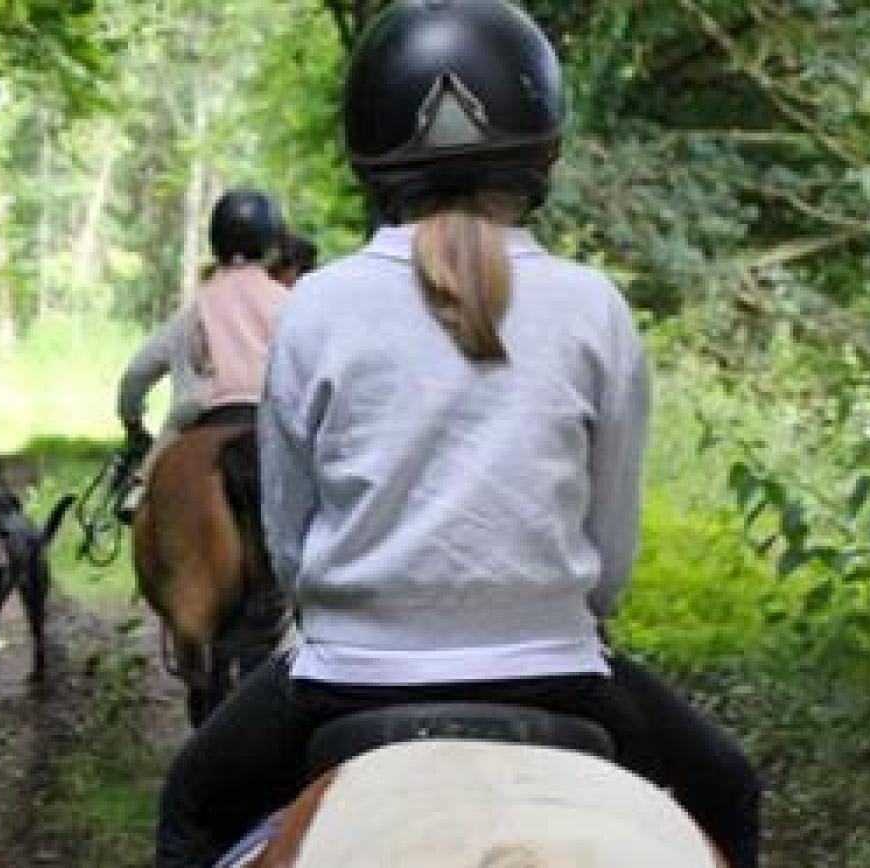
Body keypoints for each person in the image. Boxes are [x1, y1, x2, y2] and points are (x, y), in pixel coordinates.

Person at [154, 2, 761, 868]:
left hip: (344, 682)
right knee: (731, 793)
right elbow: (611, 560)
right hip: (560, 671)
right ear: (538, 144)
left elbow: (291, 552)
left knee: (190, 810)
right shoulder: (594, 306)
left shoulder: (319, 303)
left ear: (372, 147)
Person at [112, 188, 291, 516]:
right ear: (271, 243)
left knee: (172, 431)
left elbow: (137, 372)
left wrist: (132, 420)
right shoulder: (288, 302)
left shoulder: (196, 307)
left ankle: (138, 488)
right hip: (273, 413)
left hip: (203, 408)